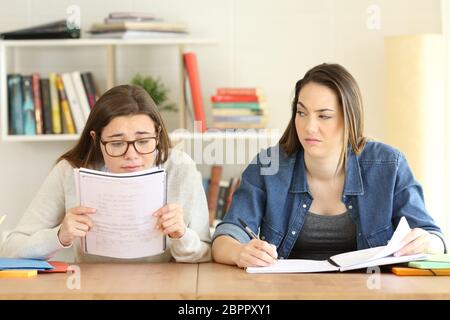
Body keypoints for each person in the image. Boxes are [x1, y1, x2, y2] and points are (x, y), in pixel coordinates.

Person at [212, 63, 446, 268]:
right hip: (287, 293)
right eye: (302, 113)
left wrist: (428, 243)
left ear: (349, 118)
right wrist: (239, 252)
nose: (309, 127)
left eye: (323, 116)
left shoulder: (389, 166)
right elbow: (225, 237)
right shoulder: (268, 166)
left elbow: (435, 238)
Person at [1, 85, 211, 263]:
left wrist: (182, 235)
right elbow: (11, 248)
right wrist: (59, 236)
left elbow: (206, 253)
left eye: (144, 141)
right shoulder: (70, 171)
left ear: (157, 133)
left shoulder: (180, 168)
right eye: (117, 143)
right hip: (91, 289)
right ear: (96, 138)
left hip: (165, 290)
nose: (132, 155)